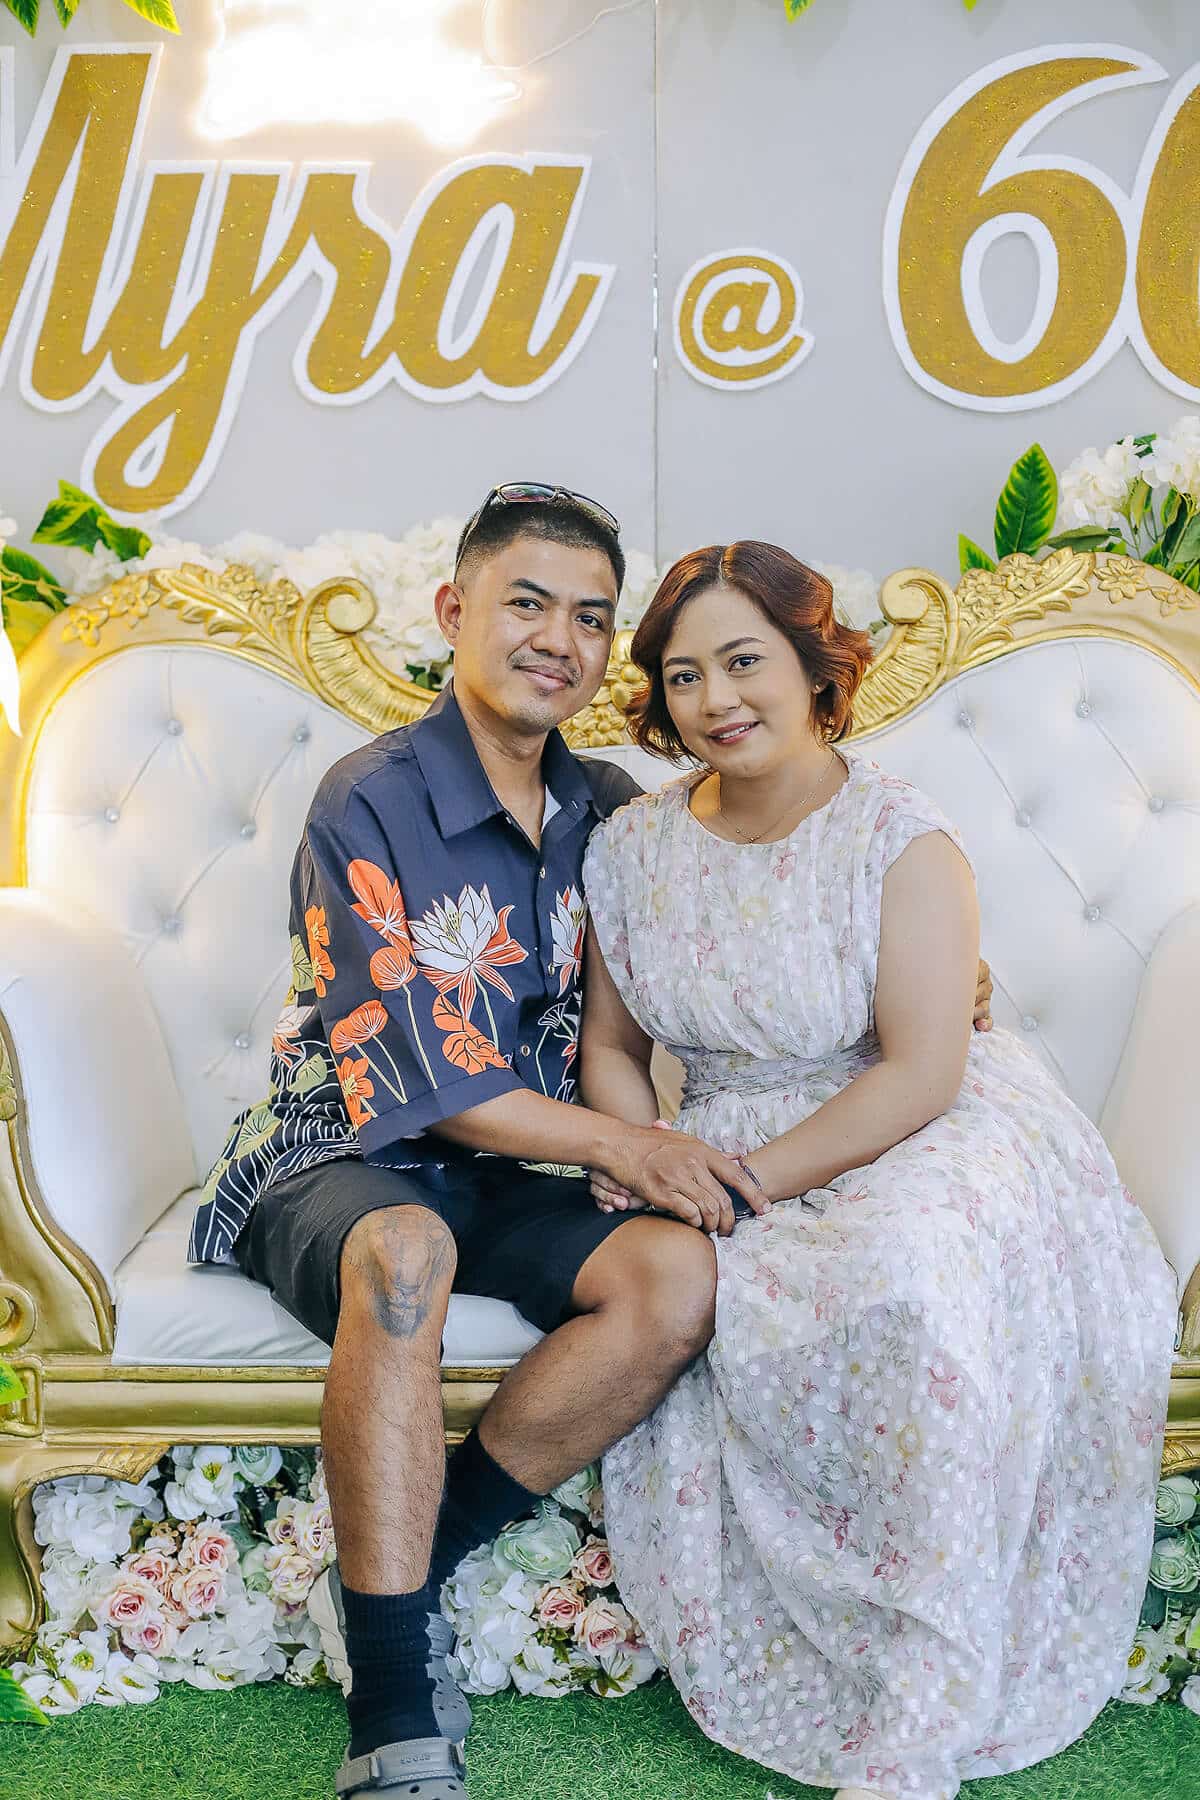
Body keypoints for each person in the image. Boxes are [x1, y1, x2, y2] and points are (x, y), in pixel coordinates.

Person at [188, 484, 774, 1800]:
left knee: (677, 1279)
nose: (559, 639)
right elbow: (421, 1077)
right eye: (528, 604)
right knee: (405, 1252)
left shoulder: (613, 807)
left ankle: (401, 1577)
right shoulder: (367, 800)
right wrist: (636, 1151)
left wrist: (919, 958)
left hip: (525, 1166)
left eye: (592, 618)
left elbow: (753, 900)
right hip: (345, 1150)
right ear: (456, 612)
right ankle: (394, 1708)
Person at [579, 540, 1177, 1800]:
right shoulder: (630, 848)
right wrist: (647, 1151)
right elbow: (614, 1051)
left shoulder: (899, 834)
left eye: (745, 662)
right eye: (683, 675)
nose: (716, 699)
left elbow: (921, 1070)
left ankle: (922, 1702)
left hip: (917, 1123)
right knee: (717, 1292)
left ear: (815, 667)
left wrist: (738, 1183)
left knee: (910, 1279)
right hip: (718, 1139)